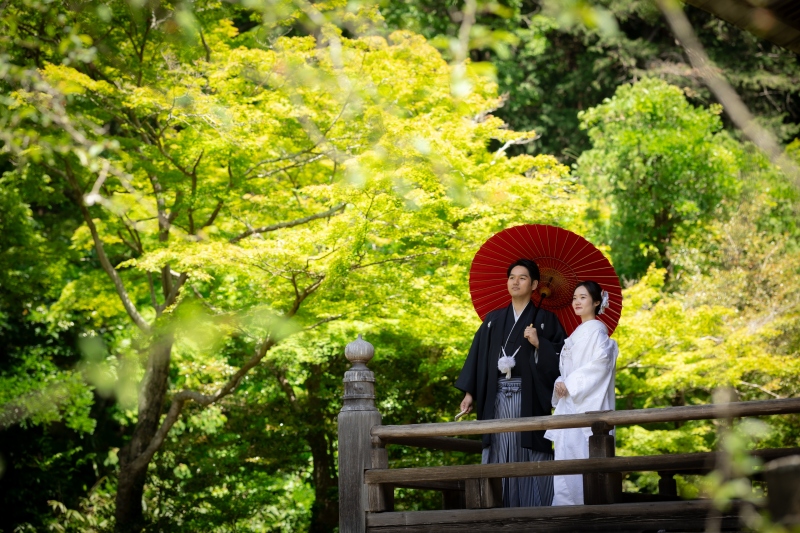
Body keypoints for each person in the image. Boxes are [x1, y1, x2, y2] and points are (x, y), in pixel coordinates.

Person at [455, 258, 566, 507]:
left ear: (535, 284)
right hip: (496, 397)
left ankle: (534, 509)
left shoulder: (547, 320)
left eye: (523, 278)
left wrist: (540, 344)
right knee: (499, 447)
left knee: (527, 447)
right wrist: (470, 393)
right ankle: (497, 507)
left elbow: (564, 358)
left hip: (529, 397)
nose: (515, 282)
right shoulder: (493, 320)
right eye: (512, 277)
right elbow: (477, 356)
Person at [544, 280, 618, 506]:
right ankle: (565, 517)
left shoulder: (598, 333)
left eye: (583, 297)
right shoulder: (575, 334)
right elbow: (566, 372)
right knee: (565, 467)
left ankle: (586, 517)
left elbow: (600, 365)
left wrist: (572, 384)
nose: (576, 301)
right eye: (575, 298)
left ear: (597, 302)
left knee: (582, 464)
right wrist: (561, 382)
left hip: (586, 406)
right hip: (569, 406)